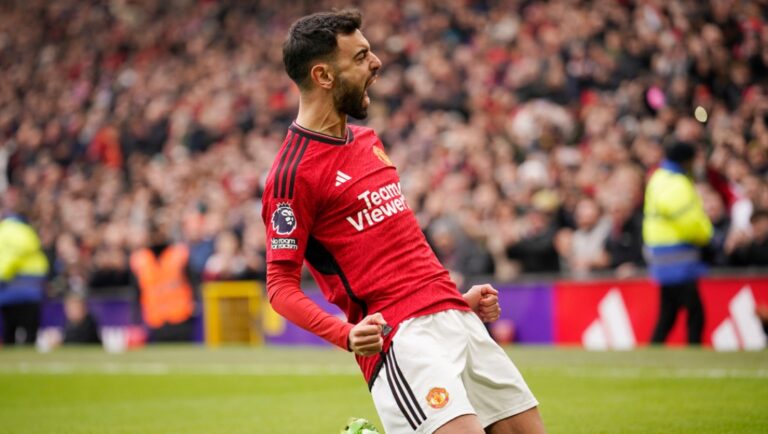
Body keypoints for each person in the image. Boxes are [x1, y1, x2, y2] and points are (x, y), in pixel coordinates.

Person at [262, 10, 545, 434]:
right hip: (400, 339)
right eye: (360, 57)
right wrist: (345, 334)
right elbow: (280, 287)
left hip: (455, 318)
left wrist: (450, 300)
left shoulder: (367, 140)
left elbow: (397, 247)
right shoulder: (292, 175)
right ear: (323, 75)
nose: (376, 63)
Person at [643, 142, 713, 345]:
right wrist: (708, 236)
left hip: (662, 254)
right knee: (695, 311)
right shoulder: (676, 183)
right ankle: (693, 348)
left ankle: (654, 349)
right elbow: (689, 220)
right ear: (686, 160)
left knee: (669, 312)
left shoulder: (658, 178)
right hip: (678, 256)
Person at [0, 192, 49, 345]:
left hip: (11, 290)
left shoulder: (5, 229)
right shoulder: (22, 230)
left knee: (10, 329)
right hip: (26, 289)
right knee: (29, 330)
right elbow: (13, 256)